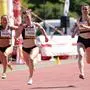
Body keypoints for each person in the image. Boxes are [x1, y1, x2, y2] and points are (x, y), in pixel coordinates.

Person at [15, 10, 49, 85]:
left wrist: (46, 36)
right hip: (24, 49)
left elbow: (42, 29)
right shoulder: (22, 26)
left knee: (31, 58)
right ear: (23, 18)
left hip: (34, 47)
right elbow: (17, 35)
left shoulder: (35, 24)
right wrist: (16, 38)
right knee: (29, 64)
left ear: (31, 17)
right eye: (25, 18)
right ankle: (32, 68)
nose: (27, 19)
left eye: (28, 17)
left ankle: (30, 78)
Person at [71, 4, 90, 79]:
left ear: (89, 10)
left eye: (86, 9)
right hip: (81, 40)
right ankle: (81, 73)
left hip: (89, 40)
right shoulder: (78, 19)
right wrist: (74, 33)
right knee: (81, 55)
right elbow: (77, 28)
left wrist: (85, 26)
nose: (85, 10)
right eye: (83, 9)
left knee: (88, 61)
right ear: (81, 10)